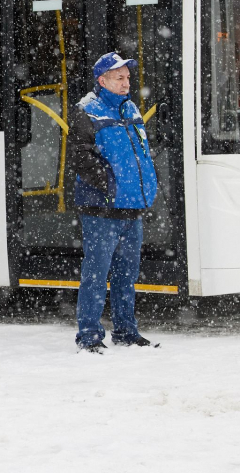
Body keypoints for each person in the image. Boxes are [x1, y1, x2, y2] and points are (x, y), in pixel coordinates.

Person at [68, 52, 159, 353]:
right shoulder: (87, 110)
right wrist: (109, 183)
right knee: (96, 273)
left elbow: (139, 154)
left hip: (131, 207)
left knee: (126, 274)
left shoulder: (130, 108)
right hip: (102, 209)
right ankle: (90, 336)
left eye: (128, 77)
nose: (126, 82)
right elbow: (79, 156)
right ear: (102, 80)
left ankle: (126, 331)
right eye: (119, 77)